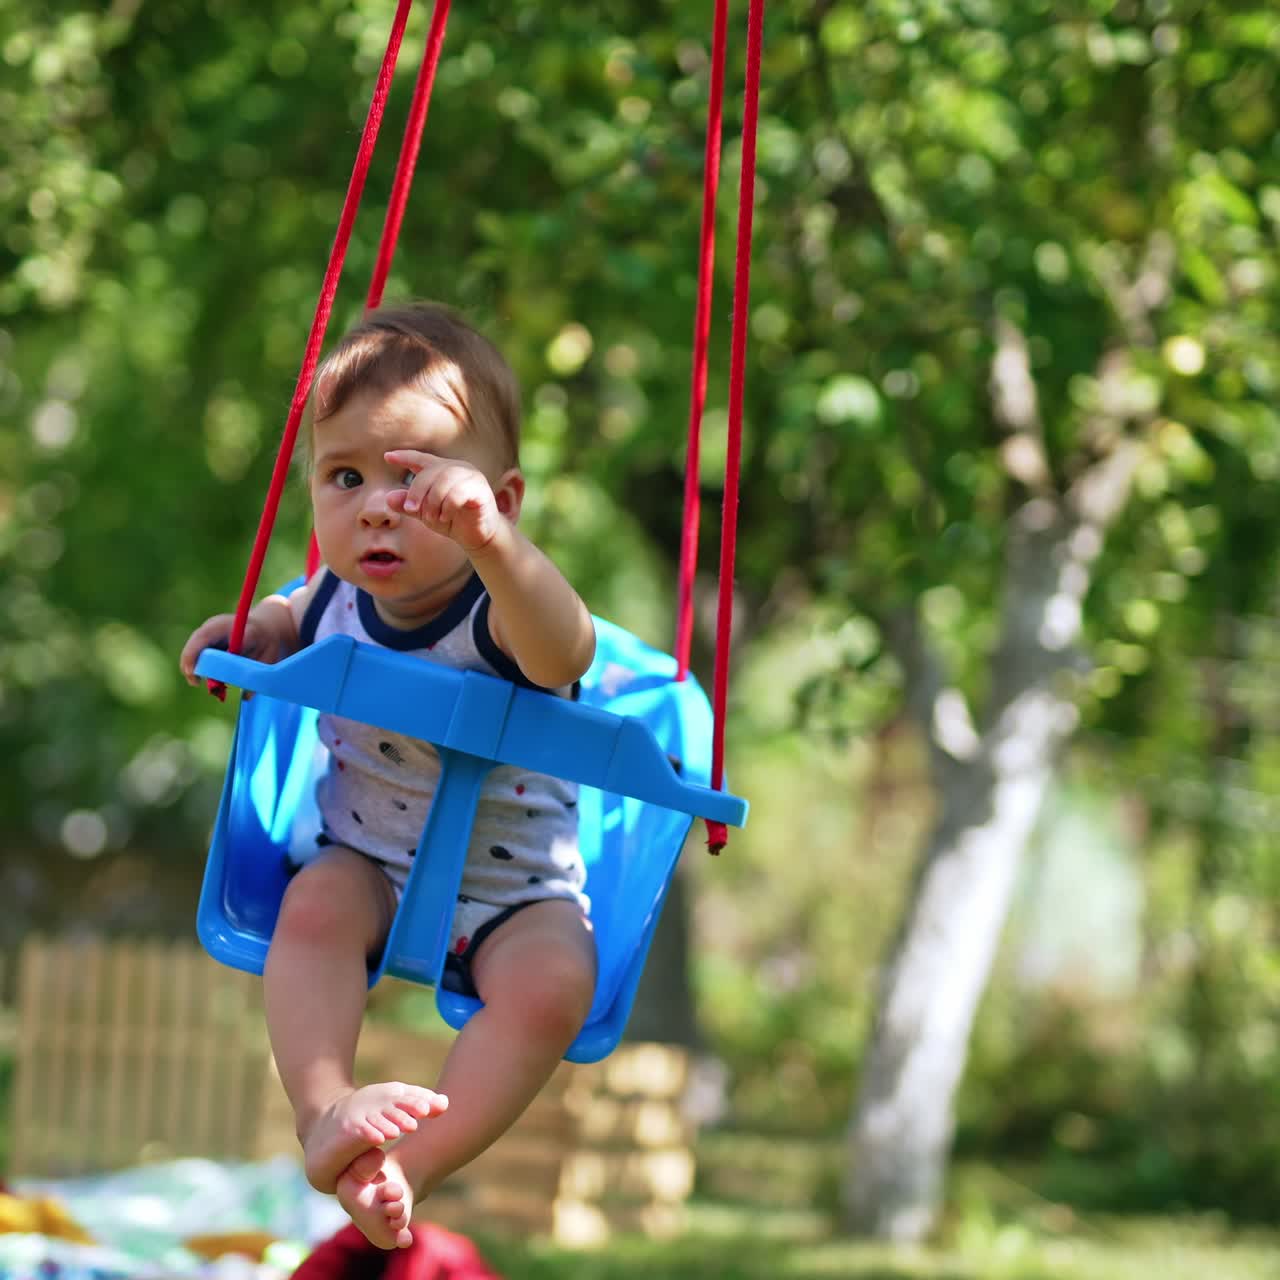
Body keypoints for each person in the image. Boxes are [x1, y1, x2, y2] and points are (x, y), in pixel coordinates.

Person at [180, 302, 598, 1250]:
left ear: (502, 497)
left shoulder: (504, 611)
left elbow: (566, 647)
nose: (373, 503)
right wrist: (249, 636)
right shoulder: (332, 596)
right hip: (364, 859)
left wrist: (495, 548)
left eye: (411, 479)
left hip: (514, 891)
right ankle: (325, 1112)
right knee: (314, 908)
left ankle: (409, 1165)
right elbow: (289, 617)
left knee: (557, 982)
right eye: (344, 476)